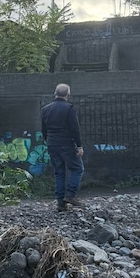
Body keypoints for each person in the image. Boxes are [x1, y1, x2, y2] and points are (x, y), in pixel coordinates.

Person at [41, 83, 84, 211]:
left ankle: (60, 202)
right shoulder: (69, 108)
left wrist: (48, 141)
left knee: (59, 172)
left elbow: (43, 129)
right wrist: (79, 146)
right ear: (68, 95)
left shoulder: (45, 109)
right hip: (66, 144)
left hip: (52, 143)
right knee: (77, 168)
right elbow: (75, 129)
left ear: (55, 94)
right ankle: (70, 195)